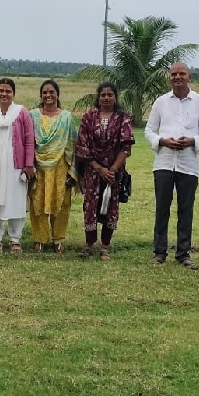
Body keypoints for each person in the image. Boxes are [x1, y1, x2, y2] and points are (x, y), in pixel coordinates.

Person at [144, 63, 199, 269]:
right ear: (169, 78)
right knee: (162, 208)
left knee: (186, 209)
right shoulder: (161, 102)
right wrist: (162, 141)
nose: (177, 77)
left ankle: (183, 253)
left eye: (182, 74)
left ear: (189, 77)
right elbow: (149, 130)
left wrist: (193, 141)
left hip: (189, 164)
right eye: (174, 74)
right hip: (164, 163)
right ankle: (159, 252)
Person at [75, 81, 135, 262]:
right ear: (98, 97)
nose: (106, 98)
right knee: (90, 206)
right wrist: (98, 168)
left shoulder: (123, 118)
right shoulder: (88, 117)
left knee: (111, 206)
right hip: (92, 171)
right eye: (103, 95)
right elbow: (82, 146)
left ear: (115, 97)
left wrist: (112, 169)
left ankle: (105, 246)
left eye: (110, 95)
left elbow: (126, 147)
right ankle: (89, 244)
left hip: (113, 173)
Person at [0, 78, 35, 254]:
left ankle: (15, 239)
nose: (4, 94)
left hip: (16, 167)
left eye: (8, 91)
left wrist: (29, 164)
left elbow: (29, 139)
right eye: (1, 91)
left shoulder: (22, 113)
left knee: (16, 201)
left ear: (13, 94)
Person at [28, 80, 77, 254]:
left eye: (51, 92)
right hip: (38, 166)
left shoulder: (66, 117)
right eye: (45, 92)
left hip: (60, 166)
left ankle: (58, 239)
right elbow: (27, 141)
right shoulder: (32, 116)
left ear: (57, 94)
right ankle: (40, 239)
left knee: (61, 202)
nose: (48, 95)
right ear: (41, 95)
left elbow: (73, 144)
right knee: (37, 201)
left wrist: (73, 171)